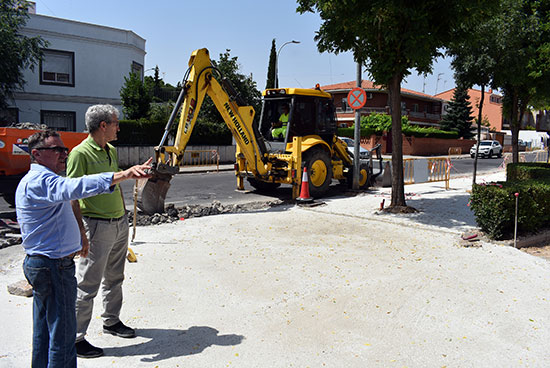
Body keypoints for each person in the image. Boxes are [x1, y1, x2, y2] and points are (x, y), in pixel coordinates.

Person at [16, 129, 151, 368]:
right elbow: (76, 188)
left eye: (63, 149)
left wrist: (79, 236)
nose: (63, 154)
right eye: (56, 150)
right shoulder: (42, 180)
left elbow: (67, 196)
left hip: (46, 264)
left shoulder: (40, 179)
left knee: (46, 331)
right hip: (52, 266)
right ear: (36, 154)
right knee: (63, 334)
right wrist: (123, 175)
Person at [66, 104, 143, 358]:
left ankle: (111, 320)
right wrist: (80, 232)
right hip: (96, 225)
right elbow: (72, 195)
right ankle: (75, 338)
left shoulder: (110, 149)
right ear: (103, 126)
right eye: (115, 123)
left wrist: (123, 216)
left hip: (118, 222)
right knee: (87, 284)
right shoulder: (80, 154)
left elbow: (116, 184)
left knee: (115, 277)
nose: (118, 127)